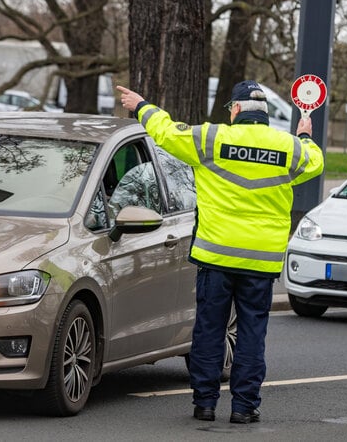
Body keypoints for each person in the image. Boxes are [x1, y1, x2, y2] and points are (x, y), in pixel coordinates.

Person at [116, 80, 323, 425]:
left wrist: (141, 106)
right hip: (260, 260)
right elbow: (314, 162)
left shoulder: (211, 139)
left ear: (237, 110)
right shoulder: (288, 148)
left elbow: (165, 132)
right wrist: (303, 134)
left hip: (216, 256)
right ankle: (244, 406)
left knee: (210, 330)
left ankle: (205, 404)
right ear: (265, 115)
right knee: (252, 333)